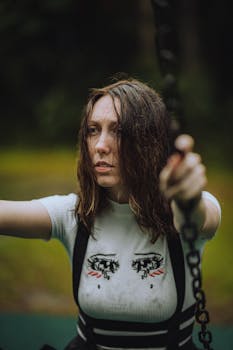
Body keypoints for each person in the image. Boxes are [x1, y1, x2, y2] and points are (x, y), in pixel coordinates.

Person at [0, 78, 221, 350]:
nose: (100, 145)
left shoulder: (187, 211)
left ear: (149, 140)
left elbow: (197, 216)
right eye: (93, 130)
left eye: (117, 131)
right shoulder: (75, 214)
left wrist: (187, 197)